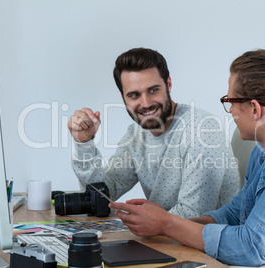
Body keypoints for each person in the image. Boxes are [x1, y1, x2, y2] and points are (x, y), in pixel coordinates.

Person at [109, 49, 265, 267]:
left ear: (255, 109)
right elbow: (235, 213)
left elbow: (251, 247)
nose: (231, 110)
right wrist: (164, 222)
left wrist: (167, 225)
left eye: (230, 101)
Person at [68, 47, 240, 219]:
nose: (146, 103)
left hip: (201, 243)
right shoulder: (135, 136)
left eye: (153, 90)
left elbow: (194, 216)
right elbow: (102, 195)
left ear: (169, 84)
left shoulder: (203, 131)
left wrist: (140, 220)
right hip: (165, 240)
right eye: (134, 95)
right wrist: (84, 143)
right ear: (123, 99)